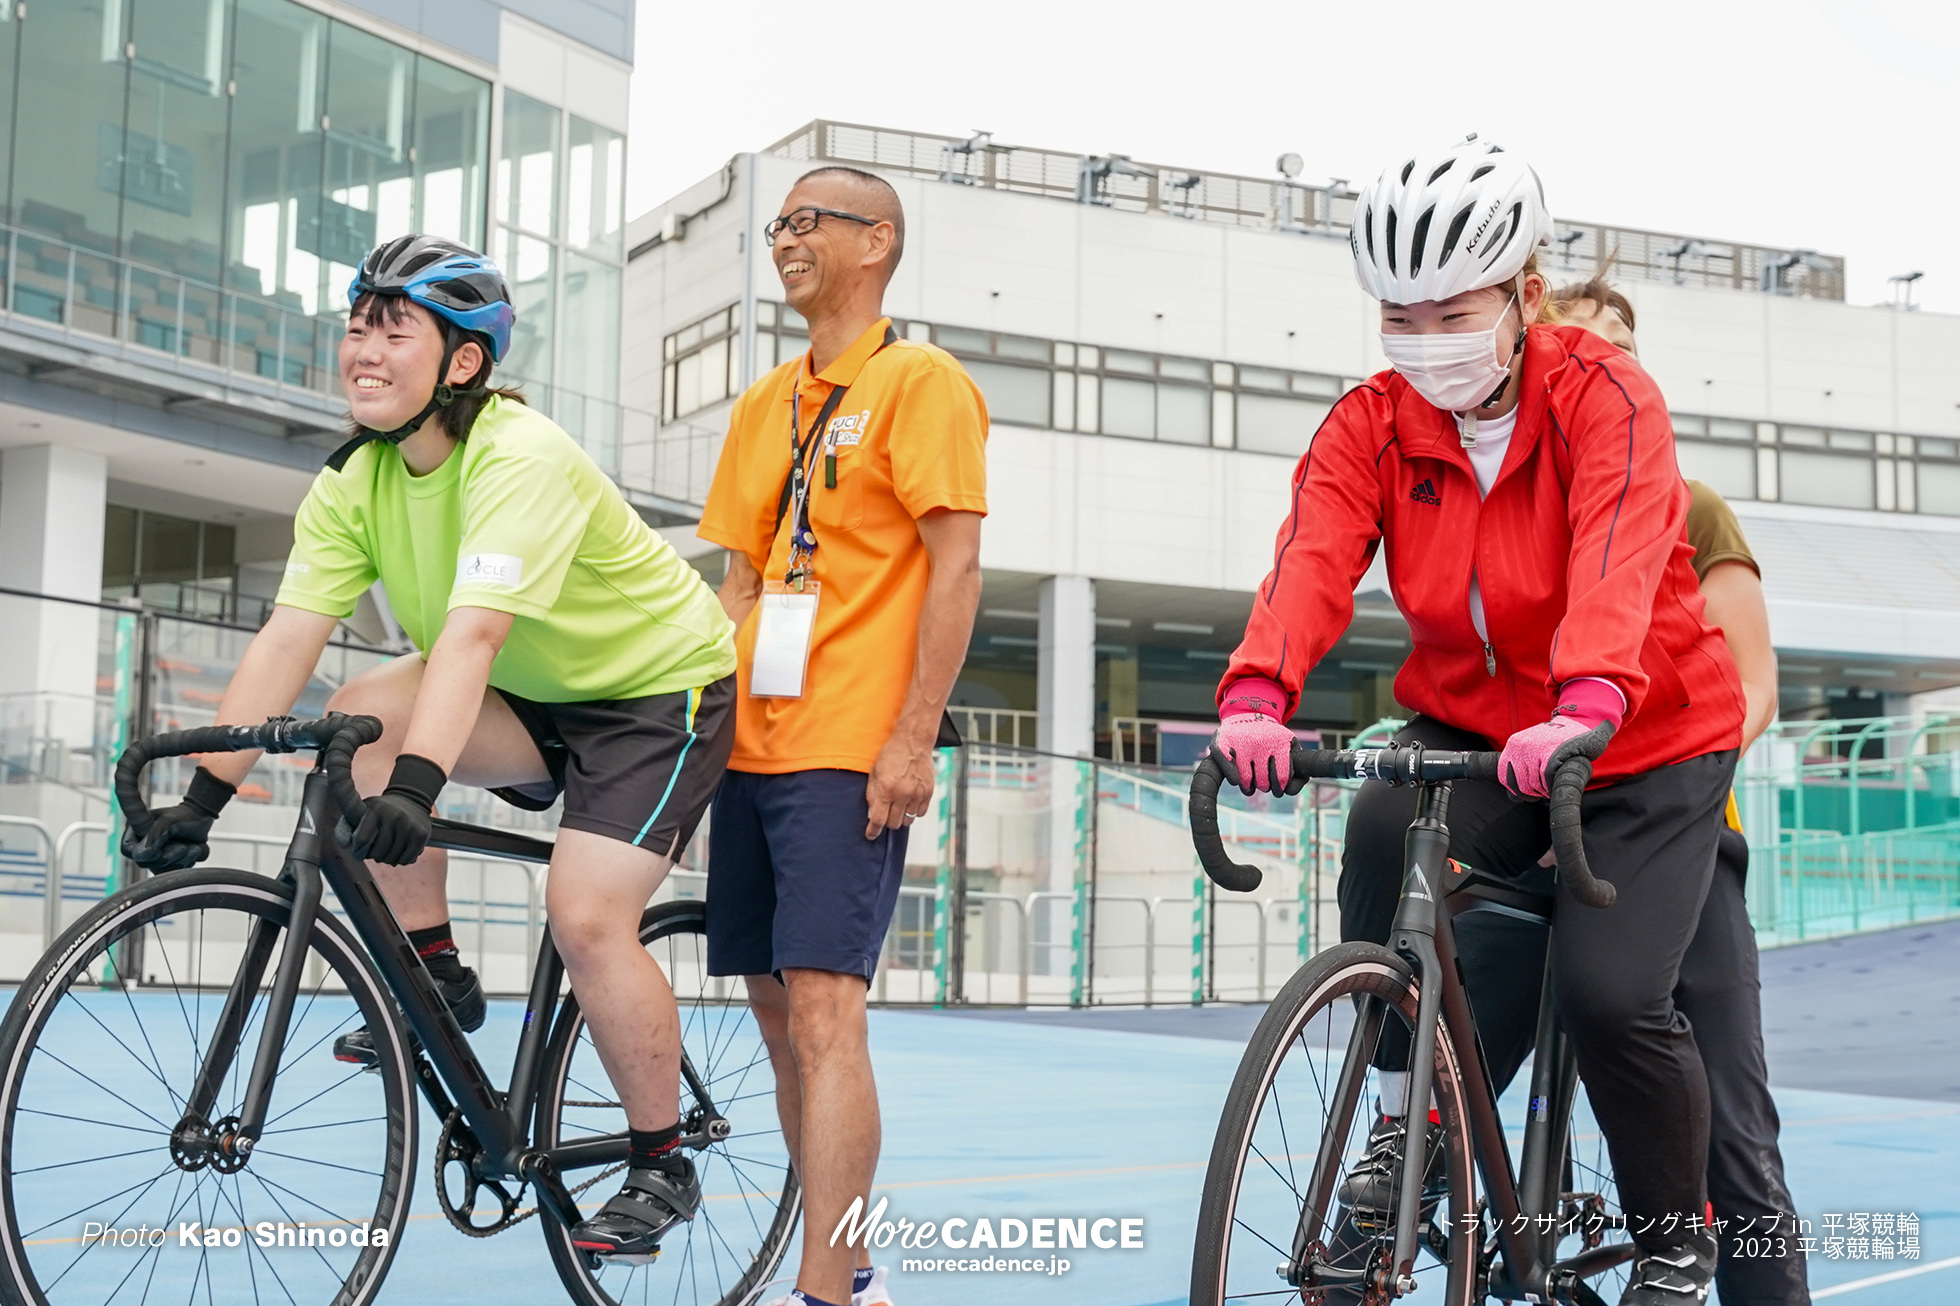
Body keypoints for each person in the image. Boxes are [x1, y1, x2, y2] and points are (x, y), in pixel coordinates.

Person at [122, 235, 739, 1266]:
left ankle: (661, 1157)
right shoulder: (354, 481)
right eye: (356, 324)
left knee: (586, 915)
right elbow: (287, 638)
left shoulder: (519, 455)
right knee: (361, 713)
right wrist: (203, 797)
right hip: (533, 691)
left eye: (391, 328)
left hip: (654, 695)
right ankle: (440, 975)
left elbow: (471, 637)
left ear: (462, 363)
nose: (362, 347)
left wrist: (419, 786)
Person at [1213, 138, 1746, 1305]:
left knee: (1613, 994)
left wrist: (1589, 697)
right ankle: (1403, 1126)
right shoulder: (1372, 422)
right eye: (1397, 314)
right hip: (1479, 733)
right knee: (1376, 819)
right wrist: (1258, 694)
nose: (1420, 337)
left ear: (1524, 294)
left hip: (1644, 738)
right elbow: (1310, 556)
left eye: (1448, 311)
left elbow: (1614, 549)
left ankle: (1674, 1239)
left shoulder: (1607, 396)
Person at [1438, 275, 1805, 1305]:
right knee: (1445, 1063)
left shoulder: (1687, 503)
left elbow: (1748, 688)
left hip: (1667, 835)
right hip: (1536, 829)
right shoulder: (1501, 504)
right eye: (1569, 344)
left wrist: (1630, 786)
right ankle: (1380, 1220)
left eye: (1615, 351)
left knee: (1729, 1133)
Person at [698, 167, 987, 1306]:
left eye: (808, 220)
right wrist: (701, 736)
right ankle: (844, 1245)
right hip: (752, 744)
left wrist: (912, 736)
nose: (786, 240)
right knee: (776, 1015)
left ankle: (828, 1283)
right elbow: (737, 581)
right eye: (778, 224)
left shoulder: (921, 381)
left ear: (879, 242)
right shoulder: (764, 400)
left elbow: (956, 566)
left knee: (825, 1008)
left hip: (849, 742)